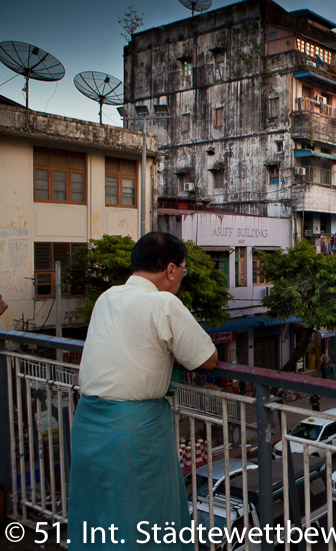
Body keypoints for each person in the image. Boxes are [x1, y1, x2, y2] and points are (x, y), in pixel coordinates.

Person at [68, 232, 217, 551]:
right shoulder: (163, 302)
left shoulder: (107, 297)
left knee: (98, 516)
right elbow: (207, 359)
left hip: (88, 424)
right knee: (147, 521)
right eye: (183, 271)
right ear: (171, 270)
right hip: (133, 432)